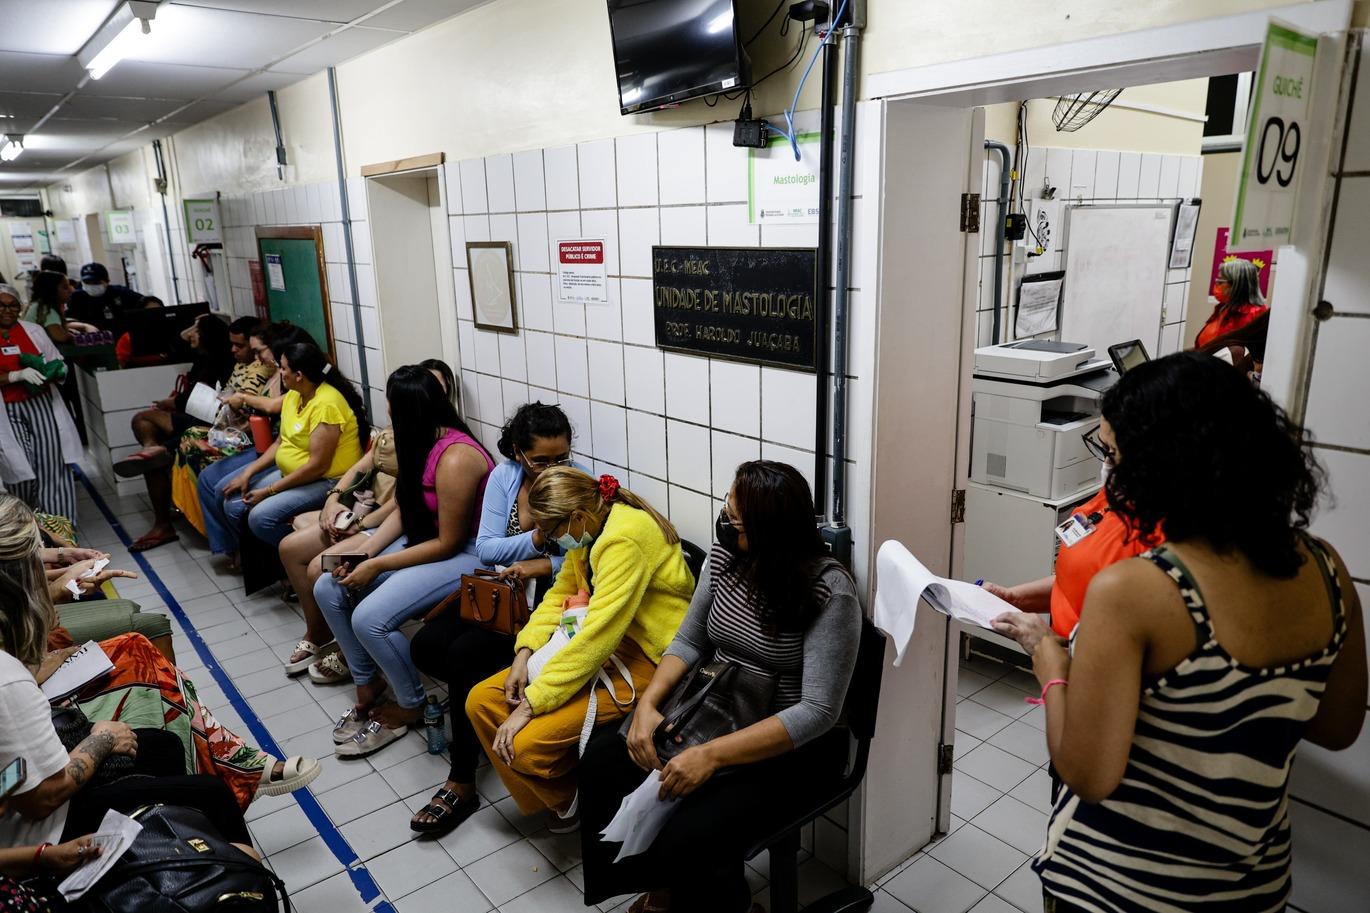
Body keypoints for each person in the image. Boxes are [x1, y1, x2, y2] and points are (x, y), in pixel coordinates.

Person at [1027, 353, 1366, 912]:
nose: (1111, 475)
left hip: (1122, 888)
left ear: (1163, 464)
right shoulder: (1326, 568)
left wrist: (1050, 664)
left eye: (1114, 455)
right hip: (1250, 884)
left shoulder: (1136, 592)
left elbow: (1088, 775)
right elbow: (1336, 726)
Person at [577, 462, 861, 912]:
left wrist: (709, 756)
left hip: (785, 746)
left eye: (737, 522)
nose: (726, 526)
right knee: (604, 760)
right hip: (713, 706)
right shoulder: (727, 556)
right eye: (727, 512)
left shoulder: (829, 591)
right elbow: (691, 639)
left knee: (696, 823)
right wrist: (649, 706)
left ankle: (724, 902)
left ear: (773, 531)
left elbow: (819, 711)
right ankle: (664, 888)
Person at [0, 497, 256, 858]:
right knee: (212, 794)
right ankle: (231, 868)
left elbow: (12, 775)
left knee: (163, 746)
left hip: (20, 799)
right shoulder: (9, 681)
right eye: (37, 561)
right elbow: (41, 798)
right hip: (44, 830)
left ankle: (190, 837)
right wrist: (101, 740)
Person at [466, 467, 693, 830]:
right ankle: (567, 796)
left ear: (576, 517)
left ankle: (573, 799)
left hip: (649, 656)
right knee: (481, 702)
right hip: (602, 642)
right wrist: (523, 653)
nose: (543, 539)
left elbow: (598, 637)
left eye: (549, 531)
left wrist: (532, 703)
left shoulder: (624, 538)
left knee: (525, 746)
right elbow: (562, 594)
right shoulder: (590, 528)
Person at [407, 401, 581, 835]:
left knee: (466, 656)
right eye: (542, 460)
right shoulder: (505, 478)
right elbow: (486, 548)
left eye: (562, 457)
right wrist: (539, 539)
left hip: (541, 605)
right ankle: (478, 722)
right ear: (519, 453)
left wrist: (544, 565)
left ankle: (462, 779)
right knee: (426, 645)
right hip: (500, 595)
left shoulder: (574, 486)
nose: (553, 468)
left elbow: (584, 558)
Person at [317, 366, 494, 757]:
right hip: (424, 542)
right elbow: (404, 507)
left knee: (370, 618)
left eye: (392, 406)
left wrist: (378, 565)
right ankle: (367, 681)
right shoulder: (418, 441)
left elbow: (448, 542)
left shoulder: (456, 457)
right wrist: (363, 552)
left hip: (466, 554)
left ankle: (411, 703)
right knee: (327, 583)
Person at [280, 360, 454, 682]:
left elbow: (410, 510)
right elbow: (362, 469)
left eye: (435, 387)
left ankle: (351, 654)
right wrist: (333, 500)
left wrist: (362, 530)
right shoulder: (391, 436)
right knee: (291, 547)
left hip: (383, 520)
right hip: (373, 517)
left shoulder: (444, 449)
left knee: (324, 568)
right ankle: (319, 633)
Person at [986, 424, 1164, 653]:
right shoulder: (1115, 494)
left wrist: (1047, 647)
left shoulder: (1162, 541)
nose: (1105, 464)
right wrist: (1014, 598)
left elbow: (1119, 660)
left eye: (1112, 452)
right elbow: (1076, 580)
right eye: (1102, 447)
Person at [202, 342, 367, 561]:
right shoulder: (295, 394)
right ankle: (274, 563)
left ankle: (297, 557)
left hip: (328, 480)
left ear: (299, 374)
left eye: (283, 368)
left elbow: (318, 467)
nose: (279, 372)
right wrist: (248, 473)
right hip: (293, 473)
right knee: (231, 502)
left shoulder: (326, 404)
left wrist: (269, 490)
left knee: (260, 518)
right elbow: (281, 442)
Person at [110, 314, 235, 551]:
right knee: (143, 422)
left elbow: (207, 405)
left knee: (148, 434)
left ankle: (158, 454)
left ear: (207, 336)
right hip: (193, 417)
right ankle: (153, 450)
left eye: (196, 331)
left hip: (208, 423)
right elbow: (175, 346)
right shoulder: (203, 357)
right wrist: (194, 326)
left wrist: (175, 403)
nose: (191, 335)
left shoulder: (223, 361)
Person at [192, 323, 310, 559]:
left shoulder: (310, 392)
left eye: (260, 351)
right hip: (274, 448)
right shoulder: (286, 381)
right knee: (212, 481)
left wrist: (269, 489)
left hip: (289, 458)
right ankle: (236, 550)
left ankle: (259, 559)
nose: (259, 359)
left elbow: (274, 409)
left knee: (231, 499)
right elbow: (281, 439)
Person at [0, 285, 81, 523]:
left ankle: (61, 530)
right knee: (20, 471)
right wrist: (15, 376)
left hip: (41, 404)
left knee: (52, 465)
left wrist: (55, 370)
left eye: (13, 305)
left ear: (20, 308)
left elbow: (58, 361)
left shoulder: (33, 331)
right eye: (2, 305)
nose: (7, 310)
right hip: (8, 410)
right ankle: (26, 530)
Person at [1196, 258, 1269, 356]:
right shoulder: (1223, 307)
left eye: (1220, 282)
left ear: (1237, 285)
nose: (1216, 286)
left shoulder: (1255, 314)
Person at [63, 262, 143, 335]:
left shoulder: (120, 293)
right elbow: (66, 322)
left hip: (121, 338)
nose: (91, 286)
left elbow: (147, 303)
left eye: (96, 282)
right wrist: (85, 326)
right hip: (93, 341)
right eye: (87, 282)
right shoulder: (76, 298)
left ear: (107, 281)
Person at [23, 271, 95, 346]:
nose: (71, 290)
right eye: (65, 287)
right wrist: (75, 337)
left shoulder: (37, 305)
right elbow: (60, 337)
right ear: (51, 290)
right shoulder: (46, 309)